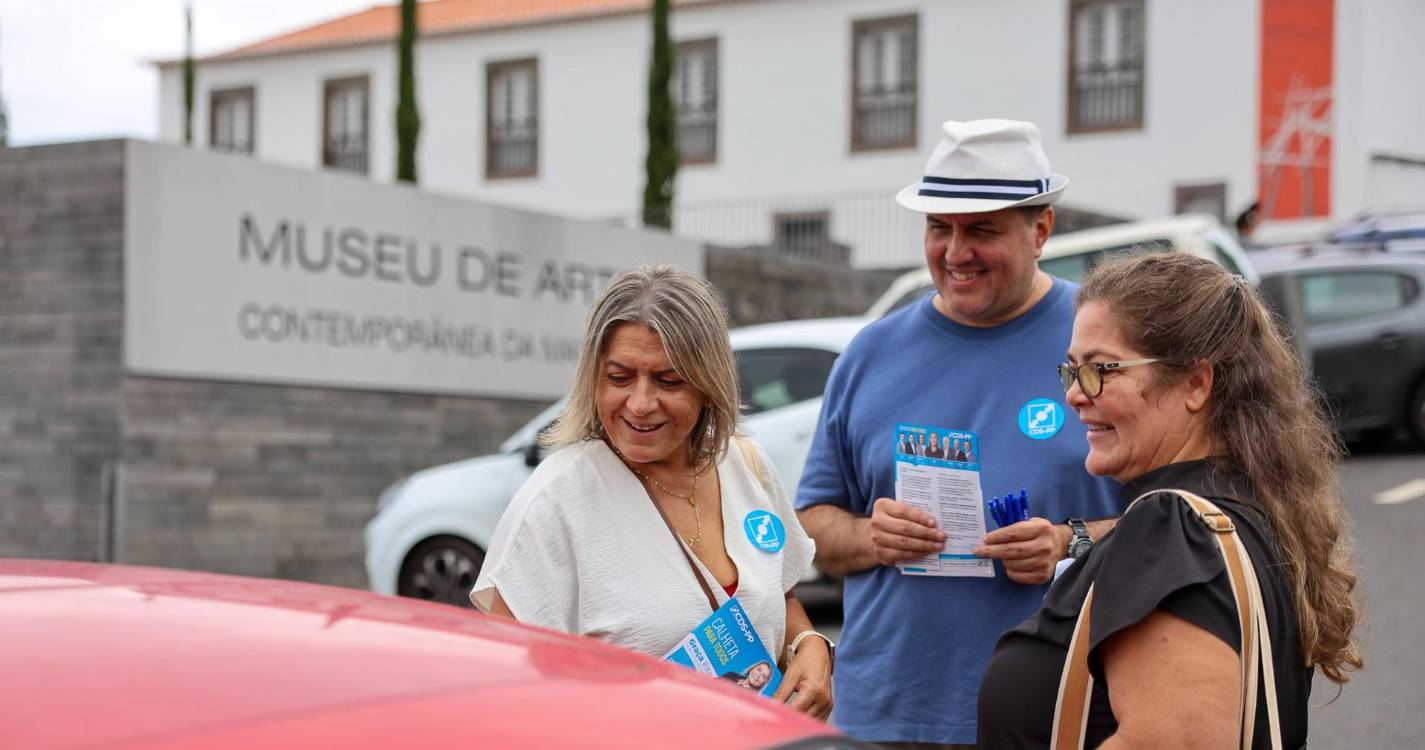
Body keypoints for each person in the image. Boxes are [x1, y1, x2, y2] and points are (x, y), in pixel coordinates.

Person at [795, 119, 1121, 747]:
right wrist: (871, 536)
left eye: (982, 230)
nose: (955, 252)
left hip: (1055, 714)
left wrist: (1067, 540)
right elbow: (810, 528)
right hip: (884, 716)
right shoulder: (870, 353)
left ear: (1042, 229)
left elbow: (1186, 517)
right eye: (939, 228)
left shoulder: (1104, 340)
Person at [978, 253, 1363, 748]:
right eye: (1070, 371)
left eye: (1100, 369)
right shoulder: (1248, 508)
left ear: (1195, 384)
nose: (1074, 394)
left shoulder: (1169, 526)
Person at [471, 264, 834, 720]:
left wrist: (810, 645)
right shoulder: (555, 501)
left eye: (669, 380)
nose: (640, 404)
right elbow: (507, 689)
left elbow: (777, 597)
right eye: (619, 378)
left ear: (708, 385)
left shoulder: (746, 465)